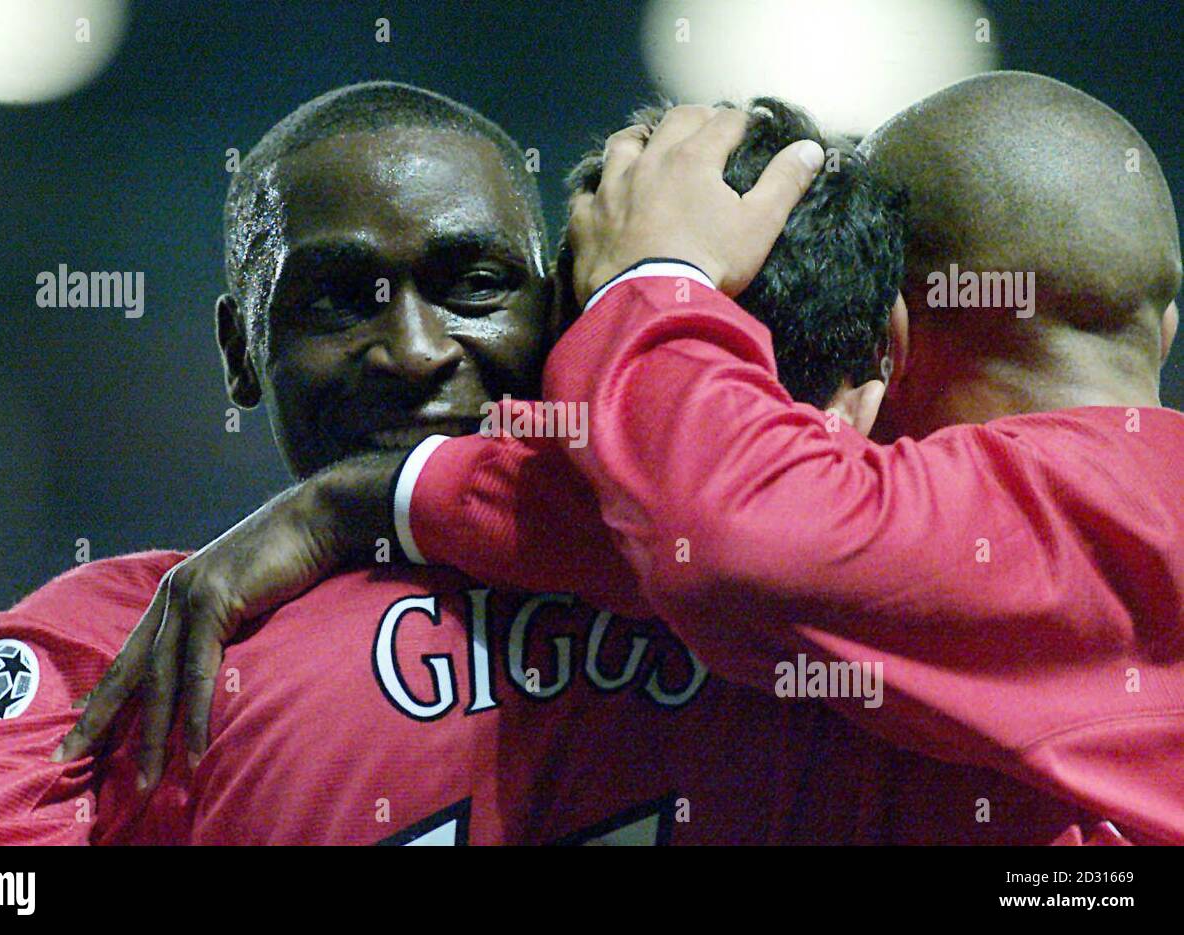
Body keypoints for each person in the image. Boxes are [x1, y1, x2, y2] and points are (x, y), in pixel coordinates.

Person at [84, 72, 1181, 845]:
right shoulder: (938, 718)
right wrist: (372, 499)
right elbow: (657, 531)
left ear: (899, 338)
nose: (416, 350)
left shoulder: (145, 662)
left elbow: (731, 530)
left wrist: (653, 280)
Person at [0, 82, 911, 844]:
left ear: (564, 312)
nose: (415, 350)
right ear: (242, 351)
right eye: (338, 298)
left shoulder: (781, 554)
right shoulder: (116, 646)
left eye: (472, 283)